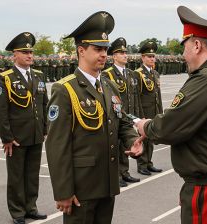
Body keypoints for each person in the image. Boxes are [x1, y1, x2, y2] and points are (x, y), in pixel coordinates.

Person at [135, 6, 207, 224]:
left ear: (197, 45)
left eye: (185, 46)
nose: (183, 54)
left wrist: (145, 126)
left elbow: (170, 127)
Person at [45, 11, 143, 224]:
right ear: (81, 50)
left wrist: (131, 140)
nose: (103, 54)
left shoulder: (108, 85)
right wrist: (63, 191)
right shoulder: (65, 89)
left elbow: (121, 119)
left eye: (106, 49)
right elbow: (57, 145)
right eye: (97, 49)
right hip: (81, 188)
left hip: (107, 182)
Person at [0, 32, 48, 224]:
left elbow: (44, 105)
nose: (29, 55)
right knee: (16, 176)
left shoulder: (39, 75)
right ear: (14, 55)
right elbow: (1, 110)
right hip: (16, 137)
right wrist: (6, 137)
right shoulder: (5, 78)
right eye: (24, 52)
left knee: (32, 174)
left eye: (31, 52)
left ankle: (31, 207)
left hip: (35, 135)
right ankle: (17, 211)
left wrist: (45, 129)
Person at [101, 37, 142, 187]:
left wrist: (137, 115)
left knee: (126, 145)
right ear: (114, 56)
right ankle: (116, 175)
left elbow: (134, 97)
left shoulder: (131, 74)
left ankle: (124, 172)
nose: (125, 55)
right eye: (121, 52)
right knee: (116, 147)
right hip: (116, 115)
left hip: (129, 116)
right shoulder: (108, 74)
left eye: (125, 52)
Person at [133, 41, 163, 176]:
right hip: (145, 112)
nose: (152, 58)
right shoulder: (138, 74)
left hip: (154, 111)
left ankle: (149, 163)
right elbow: (137, 97)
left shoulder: (155, 73)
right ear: (143, 58)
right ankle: (142, 165)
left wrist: (160, 112)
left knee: (151, 139)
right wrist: (140, 116)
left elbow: (158, 95)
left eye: (153, 56)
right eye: (149, 56)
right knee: (143, 138)